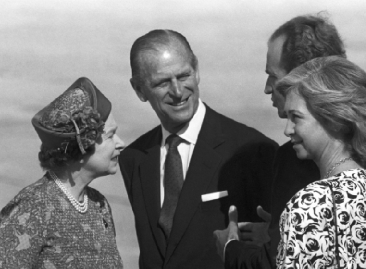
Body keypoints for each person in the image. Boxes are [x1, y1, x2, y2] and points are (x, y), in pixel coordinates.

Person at [215, 14, 366, 269]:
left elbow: (273, 264)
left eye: (274, 77)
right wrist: (286, 233)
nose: (268, 87)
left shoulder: (306, 193)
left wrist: (230, 249)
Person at [119, 29, 278, 269]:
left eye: (183, 76)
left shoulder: (251, 150)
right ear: (139, 89)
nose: (177, 91)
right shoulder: (134, 158)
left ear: (197, 70)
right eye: (162, 82)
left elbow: (272, 253)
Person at [0, 77, 124, 268]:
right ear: (84, 144)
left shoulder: (99, 205)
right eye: (110, 135)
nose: (121, 143)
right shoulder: (32, 208)